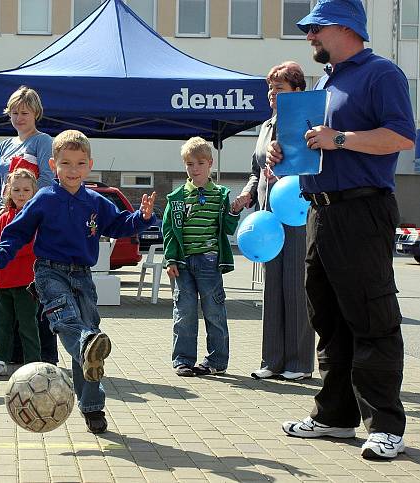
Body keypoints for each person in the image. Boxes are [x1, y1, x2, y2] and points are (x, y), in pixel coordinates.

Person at [266, 0, 415, 460]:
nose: (309, 36)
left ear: (346, 27)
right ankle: (334, 417)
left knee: (371, 317)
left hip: (362, 211)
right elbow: (318, 143)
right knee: (328, 317)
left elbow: (402, 136)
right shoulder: (328, 79)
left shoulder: (381, 73)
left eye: (316, 28)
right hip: (321, 211)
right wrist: (283, 152)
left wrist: (342, 139)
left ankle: (386, 424)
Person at [0, 130, 156, 433]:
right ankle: (87, 345)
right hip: (49, 272)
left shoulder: (96, 202)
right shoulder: (44, 198)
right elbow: (16, 233)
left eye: (80, 164)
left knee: (87, 341)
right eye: (66, 163)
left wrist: (141, 217)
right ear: (53, 164)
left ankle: (92, 406)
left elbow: (118, 224)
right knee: (70, 324)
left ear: (89, 165)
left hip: (83, 277)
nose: (73, 170)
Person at [233, 62, 314, 382]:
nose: (272, 93)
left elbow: (310, 163)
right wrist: (246, 194)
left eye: (279, 88)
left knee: (296, 287)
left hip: (294, 216)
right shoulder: (266, 127)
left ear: (297, 91)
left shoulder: (305, 123)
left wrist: (285, 167)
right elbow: (257, 171)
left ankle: (299, 364)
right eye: (271, 88)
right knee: (272, 288)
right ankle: (272, 360)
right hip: (267, 220)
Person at [164, 137, 241, 377]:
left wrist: (235, 211)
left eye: (199, 163)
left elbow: (228, 228)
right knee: (184, 313)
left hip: (210, 262)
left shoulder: (220, 195)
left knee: (214, 312)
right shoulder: (177, 197)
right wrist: (171, 259)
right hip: (184, 264)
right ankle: (183, 360)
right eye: (189, 164)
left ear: (210, 163)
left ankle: (217, 360)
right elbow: (168, 230)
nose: (194, 168)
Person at [0, 169, 41, 377]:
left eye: (26, 189)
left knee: (28, 324)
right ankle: (0, 360)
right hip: (2, 280)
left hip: (26, 280)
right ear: (8, 191)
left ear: (34, 191)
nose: (21, 193)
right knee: (1, 324)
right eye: (16, 189)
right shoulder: (4, 216)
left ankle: (34, 363)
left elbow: (28, 246)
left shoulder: (35, 217)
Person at [0, 86, 54, 213]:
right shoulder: (4, 145)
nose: (19, 118)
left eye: (24, 113)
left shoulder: (43, 141)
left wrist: (21, 206)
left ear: (36, 113)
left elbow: (47, 179)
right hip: (6, 216)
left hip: (32, 214)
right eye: (15, 113)